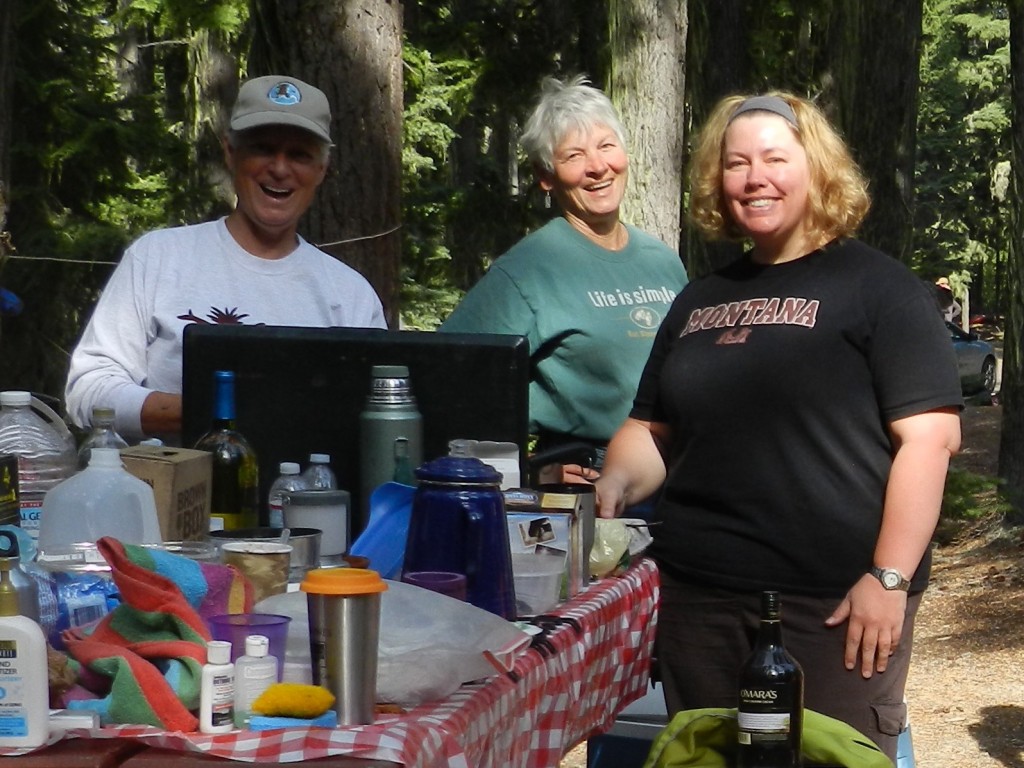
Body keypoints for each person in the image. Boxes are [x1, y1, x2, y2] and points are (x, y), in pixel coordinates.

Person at [594, 92, 962, 761]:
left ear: (817, 169)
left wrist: (889, 578)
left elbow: (929, 441)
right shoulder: (698, 299)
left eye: (773, 158)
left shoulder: (883, 291)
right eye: (736, 163)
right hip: (699, 602)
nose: (753, 177)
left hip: (835, 609)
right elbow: (651, 429)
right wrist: (611, 484)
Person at [65, 75, 387, 444]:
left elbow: (380, 417)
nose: (280, 169)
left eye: (299, 154)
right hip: (171, 496)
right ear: (230, 153)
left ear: (321, 170)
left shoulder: (351, 295)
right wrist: (213, 414)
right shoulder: (157, 257)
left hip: (307, 499)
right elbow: (88, 388)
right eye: (263, 148)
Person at [439, 75, 687, 472]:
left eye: (606, 146)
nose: (597, 167)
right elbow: (446, 376)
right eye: (574, 156)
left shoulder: (663, 262)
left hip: (678, 472)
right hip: (590, 480)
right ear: (546, 176)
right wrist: (527, 469)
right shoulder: (528, 270)